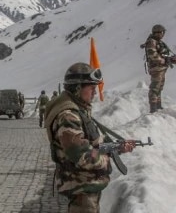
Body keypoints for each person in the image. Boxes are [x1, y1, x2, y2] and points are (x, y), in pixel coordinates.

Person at [44, 62, 135, 213]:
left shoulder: (78, 110)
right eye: (92, 88)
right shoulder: (68, 116)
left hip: (84, 186)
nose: (94, 92)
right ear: (77, 88)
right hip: (81, 187)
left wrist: (116, 148)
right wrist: (106, 159)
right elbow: (81, 155)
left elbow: (89, 144)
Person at [144, 24, 176, 113]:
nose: (163, 34)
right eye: (162, 32)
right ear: (157, 33)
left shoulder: (159, 42)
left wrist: (172, 59)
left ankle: (158, 107)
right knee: (154, 88)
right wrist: (165, 61)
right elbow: (153, 55)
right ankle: (153, 109)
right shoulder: (152, 42)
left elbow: (164, 54)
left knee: (159, 88)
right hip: (156, 68)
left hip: (161, 68)